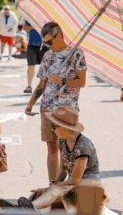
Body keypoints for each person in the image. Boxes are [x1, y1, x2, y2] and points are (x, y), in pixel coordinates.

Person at [0, 106, 102, 211]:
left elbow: (75, 179)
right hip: (73, 182)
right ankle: (24, 207)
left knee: (55, 190)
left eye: (54, 126)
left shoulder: (83, 146)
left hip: (89, 185)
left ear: (65, 127)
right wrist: (52, 184)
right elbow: (63, 168)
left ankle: (30, 208)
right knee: (43, 192)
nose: (52, 129)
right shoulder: (63, 141)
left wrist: (55, 186)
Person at [24, 22, 87, 182]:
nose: (46, 45)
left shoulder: (76, 54)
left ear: (59, 36)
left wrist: (63, 80)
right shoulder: (48, 56)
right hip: (47, 107)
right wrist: (31, 103)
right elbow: (42, 84)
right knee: (51, 148)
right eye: (44, 42)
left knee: (65, 149)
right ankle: (52, 186)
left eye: (49, 42)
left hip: (67, 110)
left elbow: (81, 82)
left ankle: (65, 187)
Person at [23, 19, 46, 94]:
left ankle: (45, 87)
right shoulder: (31, 16)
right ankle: (29, 86)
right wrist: (35, 26)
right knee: (31, 65)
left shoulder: (47, 16)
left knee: (46, 67)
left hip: (45, 45)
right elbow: (25, 28)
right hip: (32, 44)